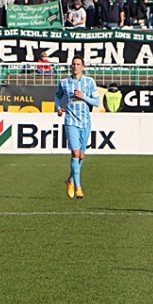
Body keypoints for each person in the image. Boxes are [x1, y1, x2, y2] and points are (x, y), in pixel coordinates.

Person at [55, 56, 99, 200]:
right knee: (75, 153)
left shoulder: (89, 82)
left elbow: (97, 102)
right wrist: (58, 108)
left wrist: (83, 96)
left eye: (78, 64)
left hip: (85, 122)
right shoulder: (64, 82)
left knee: (80, 155)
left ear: (83, 66)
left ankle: (70, 180)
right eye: (73, 64)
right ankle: (78, 188)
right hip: (71, 121)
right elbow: (57, 96)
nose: (75, 66)